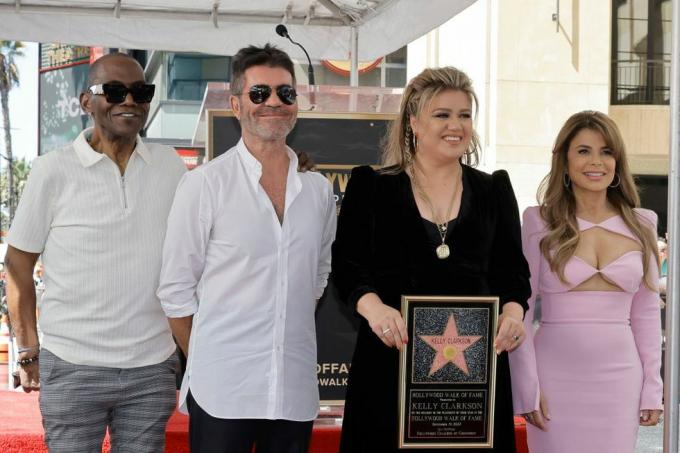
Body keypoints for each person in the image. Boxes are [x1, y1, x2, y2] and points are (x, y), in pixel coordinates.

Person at [331, 67, 531, 452]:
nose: (455, 125)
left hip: (474, 384)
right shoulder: (372, 186)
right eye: (442, 114)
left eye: (464, 115)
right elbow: (348, 268)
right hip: (389, 370)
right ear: (414, 122)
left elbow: (514, 275)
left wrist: (513, 315)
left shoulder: (494, 190)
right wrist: (375, 311)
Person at [157, 44, 336, 453]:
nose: (273, 102)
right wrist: (209, 359)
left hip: (293, 391)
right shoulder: (204, 185)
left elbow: (317, 276)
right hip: (222, 390)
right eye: (260, 94)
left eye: (285, 93)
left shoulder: (318, 191)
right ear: (237, 105)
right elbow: (175, 291)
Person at [5, 52, 186, 451]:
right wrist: (28, 352)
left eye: (141, 91)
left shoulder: (170, 166)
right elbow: (17, 265)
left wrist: (286, 167)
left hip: (151, 368)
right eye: (115, 91)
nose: (129, 101)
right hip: (72, 365)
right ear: (87, 102)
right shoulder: (52, 169)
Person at [508, 110, 663, 453]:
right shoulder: (538, 221)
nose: (597, 161)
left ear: (618, 162)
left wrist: (653, 386)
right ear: (564, 161)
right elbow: (521, 307)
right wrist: (526, 385)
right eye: (583, 151)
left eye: (607, 152)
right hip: (553, 377)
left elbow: (647, 313)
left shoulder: (643, 223)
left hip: (621, 381)